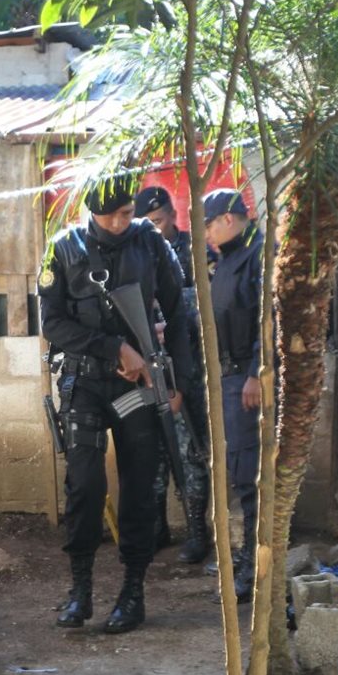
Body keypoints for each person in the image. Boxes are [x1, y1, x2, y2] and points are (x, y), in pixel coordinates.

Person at [38, 176, 195, 633]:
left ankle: (133, 591)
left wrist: (178, 380)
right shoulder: (62, 249)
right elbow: (53, 324)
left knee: (139, 486)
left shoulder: (149, 244)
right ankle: (80, 589)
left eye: (128, 213)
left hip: (137, 387)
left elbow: (178, 311)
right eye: (113, 215)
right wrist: (113, 349)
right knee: (85, 486)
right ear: (92, 212)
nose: (122, 222)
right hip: (84, 382)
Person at [134, 186, 212, 563]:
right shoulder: (133, 254)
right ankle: (158, 527)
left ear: (172, 216)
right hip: (146, 370)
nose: (155, 229)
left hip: (186, 368)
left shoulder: (196, 252)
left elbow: (211, 304)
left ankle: (198, 530)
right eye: (148, 223)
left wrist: (173, 311)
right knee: (153, 452)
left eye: (160, 221)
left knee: (189, 449)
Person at [202, 188, 264, 603]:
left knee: (249, 477)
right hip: (227, 378)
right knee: (237, 473)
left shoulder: (257, 255)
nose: (204, 234)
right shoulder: (227, 259)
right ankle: (245, 559)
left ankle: (254, 566)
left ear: (227, 219)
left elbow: (268, 318)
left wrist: (258, 373)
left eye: (207, 225)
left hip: (246, 377)